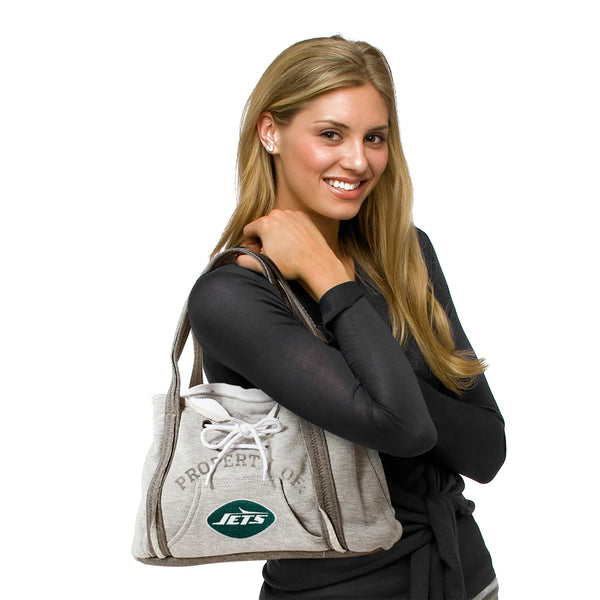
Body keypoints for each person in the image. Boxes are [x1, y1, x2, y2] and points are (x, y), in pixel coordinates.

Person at [188, 35, 505, 600]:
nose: (359, 161)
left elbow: (486, 450)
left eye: (374, 137)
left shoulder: (405, 254)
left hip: (465, 577)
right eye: (331, 134)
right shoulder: (232, 297)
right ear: (270, 132)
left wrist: (365, 381)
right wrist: (326, 276)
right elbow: (405, 428)